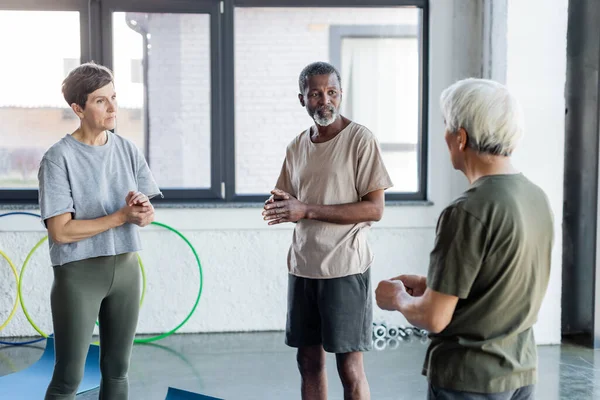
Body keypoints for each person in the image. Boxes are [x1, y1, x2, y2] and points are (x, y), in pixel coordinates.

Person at [375, 78, 553, 400]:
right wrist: (434, 285)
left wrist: (398, 298)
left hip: (469, 380)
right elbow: (501, 285)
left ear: (461, 137)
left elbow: (433, 318)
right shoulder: (536, 197)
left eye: (446, 125)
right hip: (520, 372)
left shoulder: (467, 211)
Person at [263, 61, 393, 400]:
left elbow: (375, 209)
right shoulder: (296, 147)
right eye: (316, 94)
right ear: (302, 99)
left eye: (331, 92)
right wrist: (279, 206)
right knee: (307, 361)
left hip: (345, 268)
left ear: (341, 94)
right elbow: (289, 197)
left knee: (349, 367)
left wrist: (305, 209)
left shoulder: (360, 140)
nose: (325, 101)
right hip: (304, 267)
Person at [38, 61, 162, 400]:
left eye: (114, 97)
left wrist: (141, 212)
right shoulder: (57, 159)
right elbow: (61, 232)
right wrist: (121, 217)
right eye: (100, 101)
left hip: (125, 270)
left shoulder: (127, 149)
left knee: (118, 371)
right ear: (78, 108)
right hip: (78, 276)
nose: (112, 108)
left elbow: (144, 216)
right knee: (69, 376)